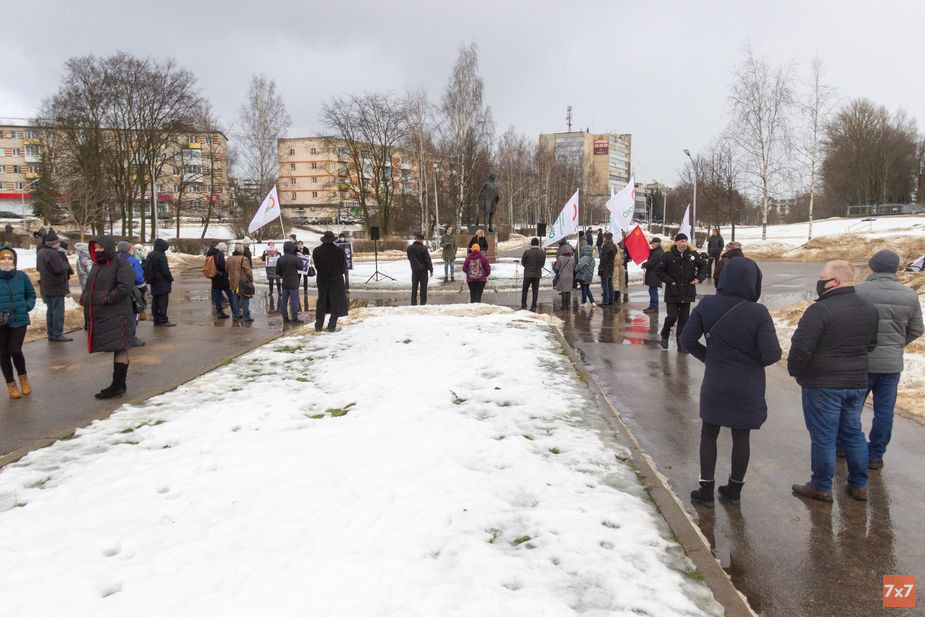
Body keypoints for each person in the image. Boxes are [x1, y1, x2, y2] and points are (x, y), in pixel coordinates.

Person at [681, 258, 782, 507]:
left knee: (709, 432)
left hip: (716, 380)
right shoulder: (758, 313)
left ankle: (706, 490)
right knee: (741, 436)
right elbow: (772, 355)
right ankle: (734, 490)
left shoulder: (708, 305)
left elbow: (686, 340)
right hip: (748, 384)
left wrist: (710, 358)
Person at [788, 260, 880, 502]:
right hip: (857, 382)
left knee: (824, 436)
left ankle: (820, 485)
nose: (819, 282)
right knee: (853, 432)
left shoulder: (820, 310)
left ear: (836, 281)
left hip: (823, 384)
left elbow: (801, 347)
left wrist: (795, 371)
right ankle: (859, 484)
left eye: (822, 277)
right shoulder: (869, 309)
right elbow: (870, 344)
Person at [851, 250, 923, 469]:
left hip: (862, 361)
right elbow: (917, 329)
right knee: (884, 411)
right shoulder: (909, 295)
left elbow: (848, 323)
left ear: (872, 268)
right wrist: (896, 344)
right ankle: (875, 455)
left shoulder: (858, 291)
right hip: (891, 364)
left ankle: (847, 447)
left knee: (853, 408)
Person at [80, 236, 135, 400]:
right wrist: (85, 297)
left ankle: (117, 385)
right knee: (118, 347)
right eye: (95, 247)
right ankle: (120, 384)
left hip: (117, 314)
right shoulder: (98, 265)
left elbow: (125, 287)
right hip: (103, 314)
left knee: (120, 347)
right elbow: (91, 286)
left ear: (109, 247)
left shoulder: (120, 264)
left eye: (100, 247)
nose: (97, 250)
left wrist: (107, 298)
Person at [655, 233, 706, 352]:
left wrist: (699, 278)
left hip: (687, 292)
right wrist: (669, 281)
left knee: (684, 320)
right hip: (673, 292)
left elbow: (703, 266)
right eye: (681, 241)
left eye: (685, 241)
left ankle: (681, 344)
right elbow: (659, 271)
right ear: (676, 242)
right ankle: (665, 333)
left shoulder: (692, 255)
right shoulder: (668, 255)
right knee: (672, 317)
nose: (684, 243)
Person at [0, 247, 36, 399]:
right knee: (3, 354)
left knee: (15, 350)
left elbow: (31, 294)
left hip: (19, 320)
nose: (6, 261)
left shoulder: (22, 276)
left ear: (14, 261)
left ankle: (24, 378)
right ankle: (11, 385)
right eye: (3, 258)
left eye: (9, 258)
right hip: (1, 322)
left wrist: (27, 306)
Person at [36, 231, 73, 342]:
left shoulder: (41, 252)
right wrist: (66, 265)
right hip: (56, 287)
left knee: (50, 311)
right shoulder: (53, 253)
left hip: (46, 286)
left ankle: (51, 334)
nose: (60, 244)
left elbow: (38, 268)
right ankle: (57, 334)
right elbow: (59, 269)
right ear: (53, 244)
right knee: (58, 312)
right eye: (58, 243)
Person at [312, 231, 349, 331]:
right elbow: (343, 267)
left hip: (322, 278)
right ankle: (332, 325)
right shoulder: (339, 251)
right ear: (333, 239)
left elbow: (317, 266)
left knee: (322, 300)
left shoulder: (316, 251)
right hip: (336, 279)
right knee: (336, 301)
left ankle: (318, 324)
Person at [117, 241, 147, 345]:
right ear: (128, 249)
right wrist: (143, 288)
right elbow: (138, 278)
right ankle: (131, 338)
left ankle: (122, 336)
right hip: (132, 291)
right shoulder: (132, 261)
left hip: (118, 291)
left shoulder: (114, 260)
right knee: (134, 314)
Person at [147, 238, 174, 327]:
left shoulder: (150, 255)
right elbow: (165, 271)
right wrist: (170, 278)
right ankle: (163, 320)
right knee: (163, 301)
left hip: (154, 281)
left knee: (155, 300)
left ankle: (156, 319)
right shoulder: (161, 256)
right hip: (162, 282)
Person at [275, 240, 303, 324]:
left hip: (285, 282)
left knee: (284, 301)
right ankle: (295, 318)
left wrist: (283, 274)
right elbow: (301, 267)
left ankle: (285, 317)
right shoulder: (295, 258)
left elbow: (277, 271)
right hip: (294, 281)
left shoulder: (280, 259)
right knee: (294, 301)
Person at [226, 243, 254, 323]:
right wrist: (250, 280)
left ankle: (235, 316)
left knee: (235, 299)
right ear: (242, 250)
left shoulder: (229, 258)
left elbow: (226, 269)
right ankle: (246, 317)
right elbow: (248, 271)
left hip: (233, 282)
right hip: (242, 282)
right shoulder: (244, 259)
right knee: (245, 299)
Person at [207, 242, 233, 319]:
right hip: (222, 278)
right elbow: (221, 265)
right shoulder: (219, 254)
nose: (224, 252)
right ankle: (235, 311)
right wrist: (225, 270)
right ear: (221, 249)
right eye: (224, 251)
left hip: (214, 277)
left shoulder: (210, 254)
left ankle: (219, 312)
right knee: (230, 295)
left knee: (217, 297)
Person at [406, 233, 433, 306]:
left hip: (414, 271)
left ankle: (413, 303)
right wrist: (431, 269)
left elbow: (409, 258)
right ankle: (422, 303)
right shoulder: (423, 249)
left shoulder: (409, 248)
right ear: (421, 240)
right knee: (423, 289)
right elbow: (428, 260)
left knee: (414, 288)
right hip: (423, 271)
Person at [520, 238, 545, 311]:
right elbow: (542, 264)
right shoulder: (542, 253)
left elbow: (523, 262)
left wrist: (527, 267)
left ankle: (524, 305)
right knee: (535, 290)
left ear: (531, 244)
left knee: (525, 290)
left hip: (527, 274)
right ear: (538, 244)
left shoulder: (527, 252)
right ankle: (533, 306)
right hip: (537, 274)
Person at [642, 237, 664, 314]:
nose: (652, 245)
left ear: (657, 243)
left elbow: (651, 263)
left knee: (653, 291)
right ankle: (652, 306)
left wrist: (644, 264)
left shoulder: (657, 253)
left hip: (654, 274)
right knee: (652, 290)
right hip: (654, 274)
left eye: (653, 244)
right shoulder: (658, 252)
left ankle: (654, 307)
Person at [553, 239, 575, 310]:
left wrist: (554, 266)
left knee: (563, 291)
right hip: (570, 276)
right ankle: (568, 305)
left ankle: (564, 305)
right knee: (568, 290)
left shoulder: (560, 258)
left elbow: (557, 268)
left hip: (562, 276)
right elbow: (574, 267)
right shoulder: (572, 258)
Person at [598, 232, 617, 305]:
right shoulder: (613, 246)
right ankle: (610, 300)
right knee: (610, 284)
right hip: (610, 267)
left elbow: (603, 258)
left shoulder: (606, 246)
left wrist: (601, 268)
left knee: (605, 285)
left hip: (605, 268)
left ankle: (605, 301)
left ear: (605, 238)